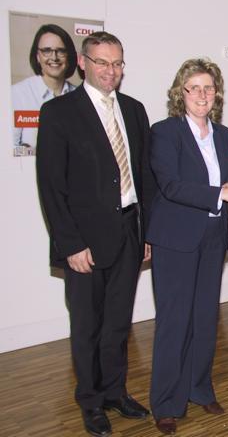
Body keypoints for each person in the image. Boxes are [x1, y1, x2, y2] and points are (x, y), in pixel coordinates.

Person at [36, 31, 156, 437]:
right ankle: (89, 400)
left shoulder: (135, 110)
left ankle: (115, 392)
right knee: (87, 324)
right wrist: (70, 244)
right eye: (103, 62)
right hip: (84, 242)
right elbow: (51, 187)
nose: (112, 71)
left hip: (128, 232)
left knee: (118, 324)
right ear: (83, 62)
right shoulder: (59, 113)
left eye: (118, 63)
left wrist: (147, 234)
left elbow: (144, 178)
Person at [146, 58, 228, 435]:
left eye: (209, 88)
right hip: (175, 239)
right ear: (181, 93)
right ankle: (166, 402)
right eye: (195, 87)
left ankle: (198, 388)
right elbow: (171, 186)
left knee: (206, 319)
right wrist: (222, 193)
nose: (202, 94)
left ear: (216, 94)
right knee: (174, 323)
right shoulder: (165, 132)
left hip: (211, 238)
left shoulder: (224, 135)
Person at [12, 23, 78, 155]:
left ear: (69, 56)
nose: (54, 57)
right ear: (37, 56)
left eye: (61, 50)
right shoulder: (17, 93)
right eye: (47, 50)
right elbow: (11, 149)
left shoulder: (80, 96)